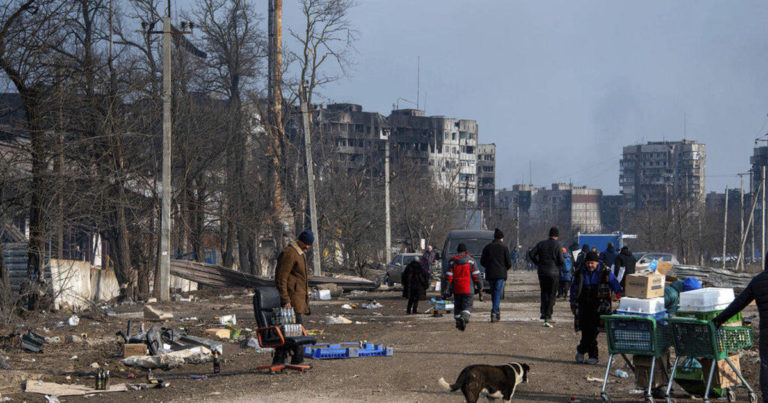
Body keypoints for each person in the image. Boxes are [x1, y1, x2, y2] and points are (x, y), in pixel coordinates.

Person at [711, 257, 768, 399]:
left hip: (766, 332)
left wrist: (719, 319)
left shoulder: (758, 281)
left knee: (766, 365)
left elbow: (740, 302)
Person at [570, 251, 622, 365]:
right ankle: (589, 355)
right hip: (583, 306)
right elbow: (573, 288)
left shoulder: (606, 273)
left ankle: (584, 352)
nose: (590, 265)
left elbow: (615, 284)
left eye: (592, 263)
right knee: (585, 330)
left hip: (600, 306)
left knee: (593, 331)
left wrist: (620, 295)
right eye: (588, 263)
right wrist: (572, 303)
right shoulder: (579, 273)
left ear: (597, 263)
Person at [274, 229, 313, 365]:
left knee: (292, 330)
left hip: (297, 300)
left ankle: (285, 360)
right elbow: (281, 278)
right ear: (300, 241)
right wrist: (285, 299)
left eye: (309, 245)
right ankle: (296, 360)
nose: (307, 247)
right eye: (306, 244)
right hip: (291, 301)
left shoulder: (300, 253)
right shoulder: (290, 253)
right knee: (293, 330)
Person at [528, 226, 565, 327]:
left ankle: (543, 312)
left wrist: (538, 263)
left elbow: (531, 253)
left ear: (549, 235)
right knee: (552, 293)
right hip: (554, 273)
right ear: (557, 236)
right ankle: (548, 314)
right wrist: (557, 264)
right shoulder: (558, 245)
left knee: (544, 292)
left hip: (542, 272)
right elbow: (561, 260)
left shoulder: (541, 244)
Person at [446, 243, 482, 331]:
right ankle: (464, 318)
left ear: (457, 251)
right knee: (467, 306)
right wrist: (480, 286)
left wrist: (447, 289)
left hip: (457, 289)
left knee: (457, 306)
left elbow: (449, 277)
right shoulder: (471, 261)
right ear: (466, 251)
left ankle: (459, 322)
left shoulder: (452, 262)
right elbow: (476, 276)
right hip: (468, 289)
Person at [481, 228, 512, 323]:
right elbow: (509, 263)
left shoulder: (487, 247)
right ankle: (494, 312)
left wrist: (489, 267)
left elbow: (482, 261)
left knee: (494, 293)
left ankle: (496, 310)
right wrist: (504, 268)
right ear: (501, 238)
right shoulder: (504, 247)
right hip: (500, 274)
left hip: (490, 274)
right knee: (497, 292)